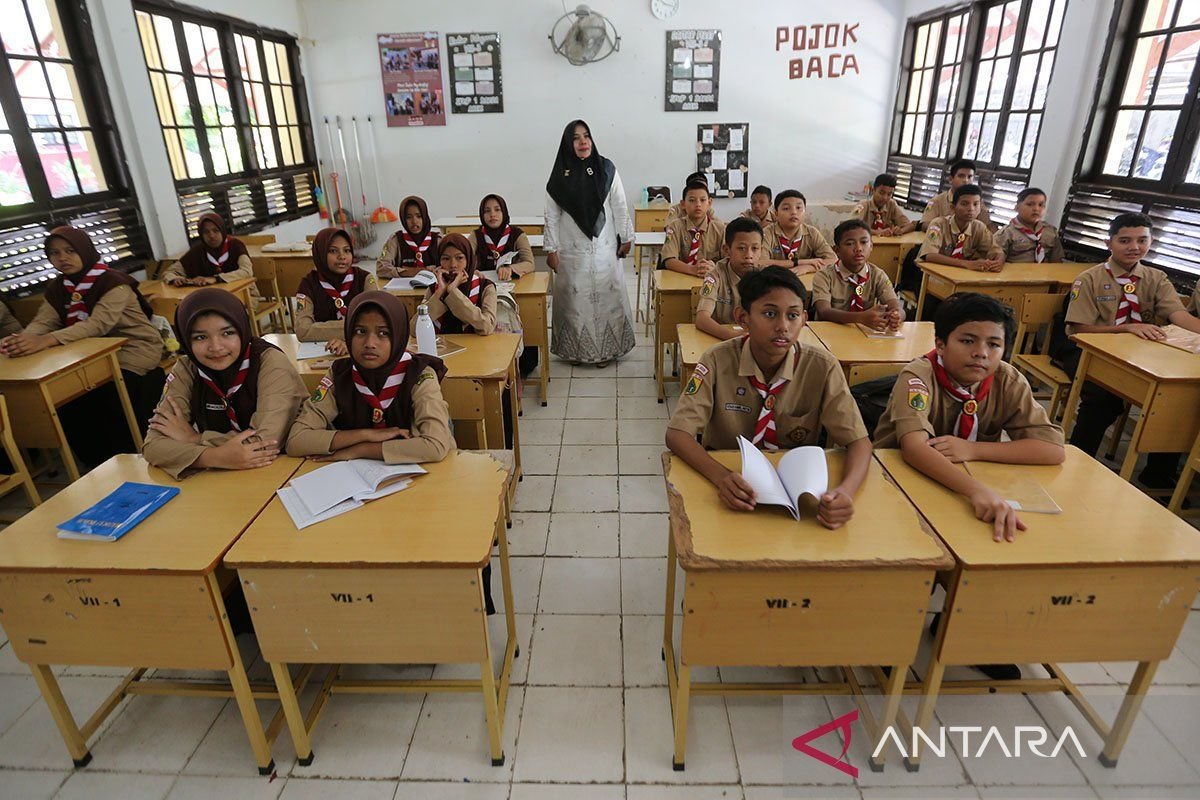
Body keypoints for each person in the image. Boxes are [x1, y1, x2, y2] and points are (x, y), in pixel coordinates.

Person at [874, 292, 1064, 681]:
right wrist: (976, 490)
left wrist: (973, 450)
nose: (981, 353)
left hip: (966, 483)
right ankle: (891, 630)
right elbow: (913, 448)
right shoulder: (918, 376)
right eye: (967, 340)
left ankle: (961, 626)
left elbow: (1051, 450)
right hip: (902, 482)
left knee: (1001, 543)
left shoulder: (1007, 379)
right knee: (916, 554)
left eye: (994, 344)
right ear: (941, 344)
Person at [665, 267, 871, 529]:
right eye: (770, 314)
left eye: (793, 316)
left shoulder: (822, 366)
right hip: (732, 482)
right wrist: (722, 476)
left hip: (797, 491)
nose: (783, 327)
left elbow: (859, 441)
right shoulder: (716, 360)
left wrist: (846, 491)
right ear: (743, 318)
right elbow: (677, 434)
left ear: (804, 319)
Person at [1, 226, 164, 466]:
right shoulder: (59, 287)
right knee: (67, 399)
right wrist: (22, 340)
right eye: (55, 253)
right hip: (84, 352)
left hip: (133, 348)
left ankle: (129, 454)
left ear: (85, 250)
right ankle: (97, 462)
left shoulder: (113, 282)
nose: (62, 258)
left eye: (70, 251)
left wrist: (46, 340)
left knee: (106, 394)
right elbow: (44, 321)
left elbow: (97, 324)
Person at [1063, 212, 1200, 489]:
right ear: (1109, 243)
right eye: (1124, 240)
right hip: (1091, 352)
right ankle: (1077, 460)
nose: (1134, 247)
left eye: (1142, 240)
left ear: (1151, 242)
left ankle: (1157, 475)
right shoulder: (1089, 279)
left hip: (1142, 356)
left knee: (1176, 399)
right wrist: (1125, 328)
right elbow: (1079, 329)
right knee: (1102, 399)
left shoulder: (1155, 278)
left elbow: (1178, 316)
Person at [143, 289, 306, 479]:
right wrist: (212, 457)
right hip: (223, 475)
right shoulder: (187, 368)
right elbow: (152, 446)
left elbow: (264, 444)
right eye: (200, 337)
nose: (216, 347)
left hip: (284, 469)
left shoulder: (269, 362)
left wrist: (193, 438)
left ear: (242, 329)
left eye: (227, 333)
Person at [286, 291, 453, 464]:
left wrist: (361, 450)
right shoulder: (340, 374)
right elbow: (296, 439)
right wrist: (366, 435)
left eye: (383, 333)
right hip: (357, 474)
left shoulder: (419, 374)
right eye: (360, 331)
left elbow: (435, 446)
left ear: (399, 335)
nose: (369, 343)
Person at [543, 119, 636, 368]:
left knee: (607, 297)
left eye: (586, 136)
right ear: (568, 144)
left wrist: (626, 237)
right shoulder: (559, 177)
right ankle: (574, 350)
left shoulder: (606, 169)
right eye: (575, 138)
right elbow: (551, 215)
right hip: (572, 251)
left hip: (604, 248)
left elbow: (619, 205)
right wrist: (551, 249)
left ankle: (607, 351)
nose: (583, 141)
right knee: (575, 301)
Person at [295, 227, 378, 355]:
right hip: (322, 353)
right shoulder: (308, 284)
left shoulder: (365, 279)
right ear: (321, 253)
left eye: (347, 250)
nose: (342, 256)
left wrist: (349, 338)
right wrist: (357, 328)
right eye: (333, 251)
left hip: (361, 350)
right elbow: (303, 330)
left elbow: (374, 322)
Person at [812, 219, 903, 331]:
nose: (858, 249)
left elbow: (895, 306)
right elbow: (823, 312)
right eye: (850, 244)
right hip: (828, 332)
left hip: (862, 333)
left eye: (864, 242)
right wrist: (860, 318)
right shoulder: (824, 276)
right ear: (837, 250)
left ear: (871, 246)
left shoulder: (877, 275)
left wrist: (896, 316)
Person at [694, 217, 762, 340]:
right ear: (727, 250)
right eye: (741, 248)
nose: (749, 255)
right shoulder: (715, 276)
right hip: (720, 339)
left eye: (755, 249)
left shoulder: (766, 277)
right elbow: (702, 319)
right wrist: (733, 337)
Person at [917, 185, 1004, 272]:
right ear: (953, 208)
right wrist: (966, 264)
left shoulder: (979, 227)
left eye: (975, 204)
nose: (971, 209)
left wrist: (998, 262)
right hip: (933, 273)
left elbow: (997, 251)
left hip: (961, 275)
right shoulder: (939, 224)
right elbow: (929, 255)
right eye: (964, 204)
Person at [160, 213, 255, 292]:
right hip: (210, 296)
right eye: (206, 232)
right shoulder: (197, 251)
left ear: (222, 230)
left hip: (244, 294)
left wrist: (216, 278)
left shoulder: (235, 245)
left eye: (216, 230)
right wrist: (175, 278)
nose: (211, 235)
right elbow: (169, 272)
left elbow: (246, 271)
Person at [424, 233, 497, 334]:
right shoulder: (435, 289)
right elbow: (414, 329)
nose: (453, 265)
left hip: (475, 343)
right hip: (440, 343)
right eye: (446, 258)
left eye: (459, 258)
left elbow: (487, 327)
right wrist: (439, 293)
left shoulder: (485, 287)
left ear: (468, 259)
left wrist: (453, 291)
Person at [760, 190, 836, 276]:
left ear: (805, 212)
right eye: (786, 208)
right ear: (776, 214)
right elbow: (760, 263)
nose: (794, 212)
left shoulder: (812, 233)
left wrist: (808, 267)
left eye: (798, 208)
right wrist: (798, 262)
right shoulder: (766, 233)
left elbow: (833, 260)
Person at [660, 178, 726, 277]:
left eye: (702, 200)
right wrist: (693, 270)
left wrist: (714, 268)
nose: (698, 204)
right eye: (692, 200)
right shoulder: (675, 227)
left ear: (709, 203)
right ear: (683, 204)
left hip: (712, 279)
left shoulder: (720, 229)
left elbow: (729, 260)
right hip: (681, 278)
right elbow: (668, 260)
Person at [471, 194, 535, 280]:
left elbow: (530, 263)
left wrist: (510, 268)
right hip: (483, 283)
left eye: (497, 209)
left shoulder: (517, 234)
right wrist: (472, 271)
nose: (492, 214)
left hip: (512, 283)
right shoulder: (476, 235)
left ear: (504, 212)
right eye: (487, 211)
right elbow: (464, 260)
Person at [994, 188, 1066, 264]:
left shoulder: (1050, 231)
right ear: (1017, 208)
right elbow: (996, 261)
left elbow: (1057, 261)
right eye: (1030, 204)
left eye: (1041, 205)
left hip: (1044, 271)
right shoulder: (1006, 233)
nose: (1036, 209)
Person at [921, 158, 994, 230]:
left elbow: (988, 226)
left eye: (969, 177)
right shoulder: (937, 201)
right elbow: (925, 224)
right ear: (951, 179)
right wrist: (951, 231)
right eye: (961, 176)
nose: (966, 180)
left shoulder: (977, 202)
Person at [376, 196, 439, 279]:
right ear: (403, 219)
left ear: (425, 216)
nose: (414, 221)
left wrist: (404, 270)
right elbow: (381, 268)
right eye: (408, 217)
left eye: (419, 216)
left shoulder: (437, 240)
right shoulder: (395, 240)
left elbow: (448, 267)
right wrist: (415, 271)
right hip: (402, 286)